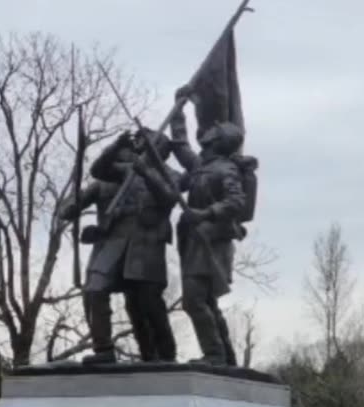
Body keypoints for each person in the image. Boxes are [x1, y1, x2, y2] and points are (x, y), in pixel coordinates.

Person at [58, 130, 179, 363]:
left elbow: (169, 199)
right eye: (135, 144)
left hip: (146, 249)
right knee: (94, 290)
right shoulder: (123, 172)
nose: (136, 147)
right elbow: (97, 172)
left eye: (144, 143)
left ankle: (163, 357)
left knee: (145, 306)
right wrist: (115, 145)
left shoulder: (168, 174)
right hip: (113, 246)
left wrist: (146, 173)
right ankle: (103, 349)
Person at [167, 84, 247, 366]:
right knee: (206, 301)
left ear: (218, 139)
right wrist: (179, 108)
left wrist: (205, 214)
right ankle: (225, 356)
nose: (208, 129)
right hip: (195, 243)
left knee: (194, 300)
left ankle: (214, 355)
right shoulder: (201, 164)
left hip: (213, 243)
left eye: (214, 129)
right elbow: (179, 145)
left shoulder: (226, 169)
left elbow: (236, 202)